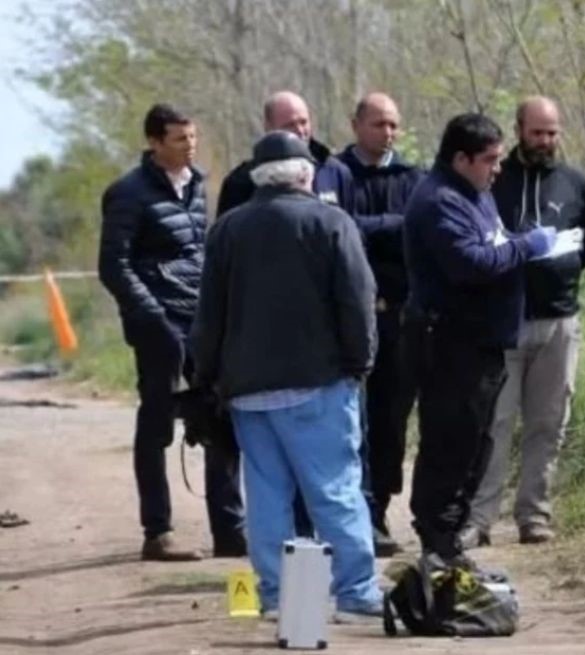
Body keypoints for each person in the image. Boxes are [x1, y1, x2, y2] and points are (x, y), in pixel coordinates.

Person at [190, 131, 383, 619]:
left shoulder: (227, 230)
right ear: (306, 175)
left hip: (248, 392)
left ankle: (278, 596)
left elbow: (208, 315)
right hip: (318, 383)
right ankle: (356, 592)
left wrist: (206, 377)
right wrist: (360, 362)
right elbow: (357, 300)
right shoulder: (331, 222)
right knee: (334, 490)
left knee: (267, 497)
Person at [403, 113, 558, 567]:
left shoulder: (477, 194)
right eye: (489, 160)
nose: (498, 168)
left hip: (483, 344)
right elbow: (470, 262)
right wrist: (528, 246)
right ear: (461, 159)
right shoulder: (440, 201)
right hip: (451, 345)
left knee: (475, 444)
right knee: (451, 445)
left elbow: (494, 244)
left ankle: (448, 544)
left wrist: (517, 243)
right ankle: (438, 543)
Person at [97, 104, 244, 561]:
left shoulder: (198, 185)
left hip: (200, 319)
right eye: (180, 139)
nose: (190, 146)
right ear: (155, 142)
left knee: (219, 416)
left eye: (193, 137)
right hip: (157, 325)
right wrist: (151, 316)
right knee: (157, 423)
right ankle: (157, 531)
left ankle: (230, 531)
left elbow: (199, 253)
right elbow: (113, 265)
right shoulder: (128, 193)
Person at [463, 96, 585, 548]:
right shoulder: (493, 182)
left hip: (559, 322)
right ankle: (479, 518)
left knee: (548, 423)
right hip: (503, 322)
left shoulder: (576, 185)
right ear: (519, 130)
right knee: (495, 423)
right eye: (537, 132)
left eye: (552, 133)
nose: (545, 141)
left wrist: (557, 273)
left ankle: (534, 515)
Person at [336, 92, 423, 556]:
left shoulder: (413, 178)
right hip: (348, 318)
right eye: (378, 124)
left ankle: (379, 508)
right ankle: (353, 511)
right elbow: (339, 229)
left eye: (393, 124)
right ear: (355, 125)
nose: (387, 133)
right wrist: (393, 224)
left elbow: (419, 230)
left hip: (400, 318)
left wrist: (369, 226)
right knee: (351, 421)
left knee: (391, 419)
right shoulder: (335, 174)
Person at [217, 91, 354, 215]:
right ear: (269, 127)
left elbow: (349, 227)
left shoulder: (335, 172)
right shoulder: (243, 180)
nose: (300, 130)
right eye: (290, 125)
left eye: (303, 122)